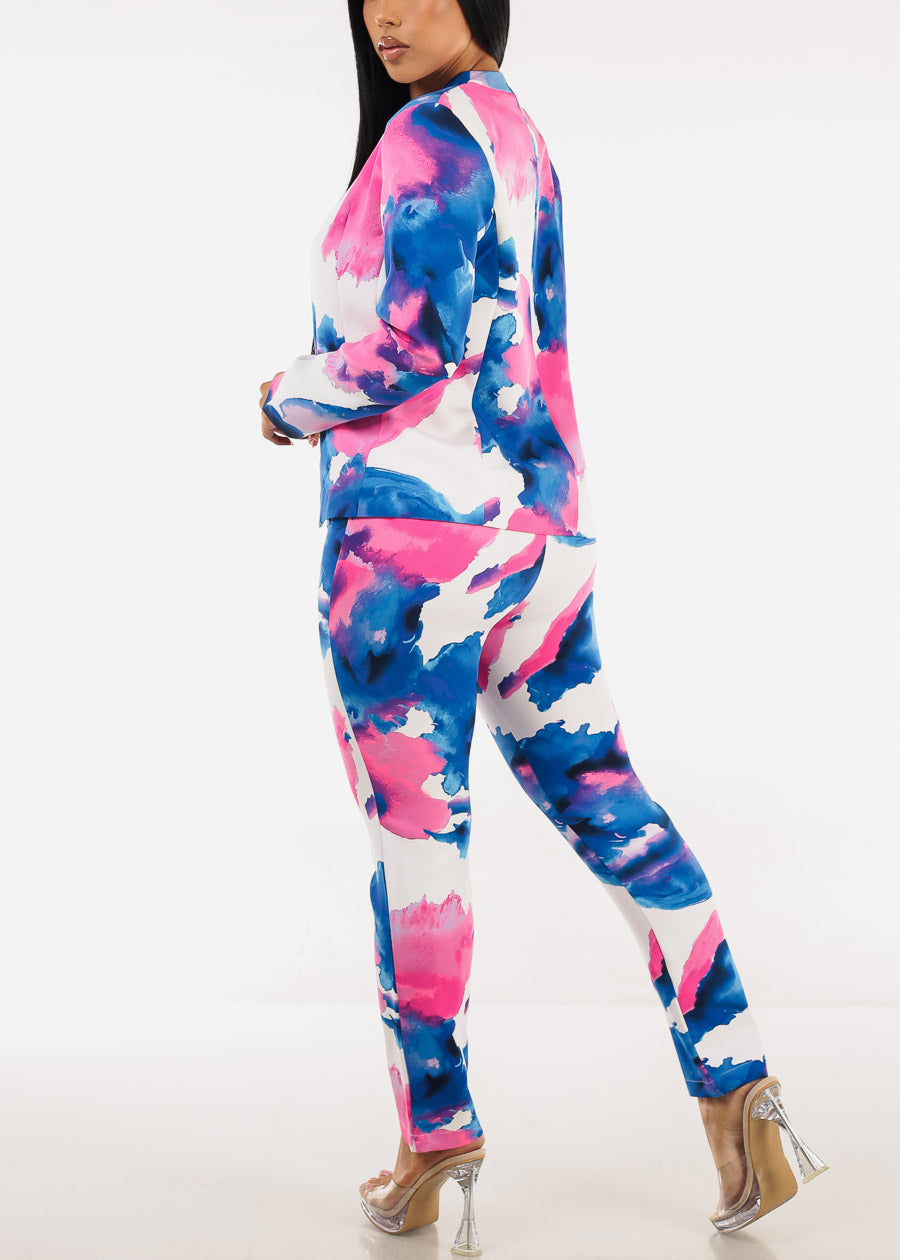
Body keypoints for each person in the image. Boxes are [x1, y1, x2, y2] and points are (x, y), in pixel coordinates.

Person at [258, 2, 828, 1253]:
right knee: (615, 804)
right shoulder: (518, 136)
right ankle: (741, 1086)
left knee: (419, 845)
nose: (386, 11)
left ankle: (435, 1140)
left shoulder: (424, 141)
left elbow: (411, 347)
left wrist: (287, 397)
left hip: (410, 556)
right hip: (540, 541)